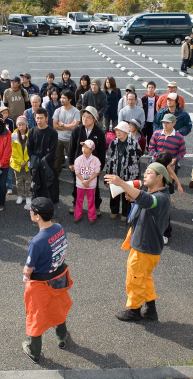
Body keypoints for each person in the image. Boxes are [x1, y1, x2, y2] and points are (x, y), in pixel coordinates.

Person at [106, 161, 171, 322]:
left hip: (144, 248)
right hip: (147, 247)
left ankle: (134, 311)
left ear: (160, 177)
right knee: (144, 278)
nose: (145, 175)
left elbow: (148, 201)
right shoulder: (158, 195)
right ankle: (150, 310)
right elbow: (145, 202)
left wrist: (122, 183)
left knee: (134, 279)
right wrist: (133, 200)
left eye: (149, 172)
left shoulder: (160, 198)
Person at [22, 197, 72, 363]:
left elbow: (28, 269)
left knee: (36, 315)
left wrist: (25, 275)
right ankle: (61, 337)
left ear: (37, 216)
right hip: (59, 277)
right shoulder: (59, 228)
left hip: (41, 284)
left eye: (31, 210)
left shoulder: (36, 242)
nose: (30, 211)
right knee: (59, 308)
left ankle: (34, 351)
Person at [68, 107, 106, 215]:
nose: (84, 119)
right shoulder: (77, 130)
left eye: (88, 117)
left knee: (94, 185)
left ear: (94, 119)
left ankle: (96, 205)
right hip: (79, 163)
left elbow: (102, 151)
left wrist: (101, 167)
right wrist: (71, 162)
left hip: (93, 164)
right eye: (83, 116)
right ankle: (75, 203)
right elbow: (71, 147)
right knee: (76, 183)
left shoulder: (99, 132)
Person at [106, 121, 142, 222]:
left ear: (126, 131)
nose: (118, 132)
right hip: (115, 171)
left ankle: (125, 213)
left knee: (127, 194)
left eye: (120, 130)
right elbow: (109, 157)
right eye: (117, 130)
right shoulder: (113, 143)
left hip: (129, 174)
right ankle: (114, 210)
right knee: (114, 193)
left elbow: (138, 158)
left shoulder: (134, 144)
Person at [28, 108, 60, 219]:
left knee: (51, 191)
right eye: (37, 118)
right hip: (36, 167)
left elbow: (53, 150)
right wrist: (36, 162)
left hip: (48, 166)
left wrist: (43, 161)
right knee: (36, 189)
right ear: (35, 118)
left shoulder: (53, 132)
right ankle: (38, 215)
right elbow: (29, 149)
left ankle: (54, 216)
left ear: (46, 118)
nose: (39, 120)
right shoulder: (32, 132)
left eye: (41, 118)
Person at [52, 91, 81, 176]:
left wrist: (62, 124)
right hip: (59, 139)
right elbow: (55, 126)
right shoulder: (58, 111)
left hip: (70, 140)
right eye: (61, 97)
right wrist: (69, 126)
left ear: (70, 99)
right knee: (57, 160)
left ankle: (75, 178)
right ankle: (56, 177)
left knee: (73, 160)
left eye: (64, 98)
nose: (62, 100)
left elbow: (75, 127)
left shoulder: (76, 111)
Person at [74, 140, 102, 224]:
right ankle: (77, 215)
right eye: (83, 147)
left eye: (86, 147)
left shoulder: (96, 160)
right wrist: (83, 181)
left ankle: (92, 216)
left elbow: (96, 172)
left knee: (91, 200)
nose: (84, 149)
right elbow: (77, 172)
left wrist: (88, 181)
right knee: (79, 199)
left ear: (91, 150)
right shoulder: (78, 159)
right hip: (81, 183)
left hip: (91, 183)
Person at [11, 116, 31, 209]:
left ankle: (28, 196)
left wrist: (26, 161)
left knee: (28, 180)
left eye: (23, 124)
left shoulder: (30, 135)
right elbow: (13, 151)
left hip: (27, 162)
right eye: (19, 125)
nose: (21, 127)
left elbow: (31, 149)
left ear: (26, 125)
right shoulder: (13, 136)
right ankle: (20, 195)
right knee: (18, 180)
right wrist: (20, 161)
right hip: (17, 163)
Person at [141, 82, 159, 147]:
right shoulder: (143, 98)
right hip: (145, 121)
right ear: (147, 88)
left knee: (151, 136)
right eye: (149, 87)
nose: (151, 89)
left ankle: (149, 148)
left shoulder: (157, 98)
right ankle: (142, 148)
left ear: (155, 89)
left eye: (152, 87)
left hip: (153, 121)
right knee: (143, 136)